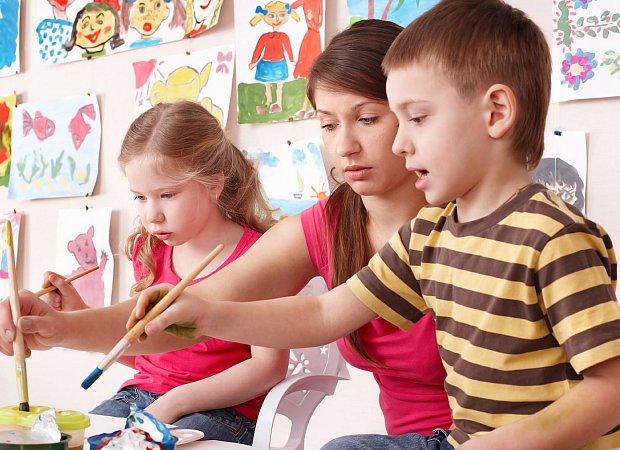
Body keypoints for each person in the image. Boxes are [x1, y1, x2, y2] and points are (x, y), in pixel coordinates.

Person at [124, 1, 620, 449]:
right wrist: (209, 316)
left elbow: (612, 389)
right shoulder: (428, 236)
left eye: (416, 119)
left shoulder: (555, 238)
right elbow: (323, 314)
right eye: (329, 123)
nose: (401, 143)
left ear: (496, 113)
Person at [0, 19, 452, 445]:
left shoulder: (468, 224)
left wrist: (200, 331)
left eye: (367, 119)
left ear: (414, 114)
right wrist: (57, 327)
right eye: (329, 124)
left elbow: (308, 321)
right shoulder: (327, 225)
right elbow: (187, 313)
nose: (344, 146)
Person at [36, 101, 289, 445]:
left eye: (167, 195)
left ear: (214, 184)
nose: (151, 214)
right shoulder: (150, 251)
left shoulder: (259, 256)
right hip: (140, 397)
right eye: (140, 197)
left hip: (223, 411)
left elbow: (268, 367)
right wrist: (78, 312)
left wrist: (175, 402)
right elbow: (146, 351)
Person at [249, 2, 300, 114]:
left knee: (279, 85)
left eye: (281, 15)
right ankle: (268, 102)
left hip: (279, 63)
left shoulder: (284, 36)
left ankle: (279, 104)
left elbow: (288, 49)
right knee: (268, 85)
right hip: (266, 63)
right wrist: (253, 61)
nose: (276, 19)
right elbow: (258, 49)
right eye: (272, 16)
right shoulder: (264, 37)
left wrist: (292, 60)